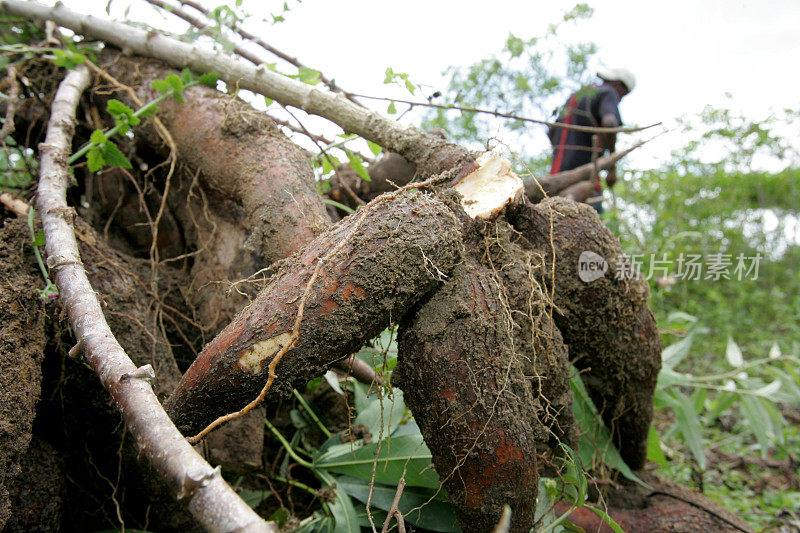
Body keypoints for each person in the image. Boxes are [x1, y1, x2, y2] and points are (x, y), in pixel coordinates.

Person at [548, 68, 635, 212]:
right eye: (623, 95)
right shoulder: (608, 92)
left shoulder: (575, 97)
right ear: (620, 86)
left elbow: (551, 131)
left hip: (555, 179)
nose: (619, 99)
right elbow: (609, 123)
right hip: (585, 178)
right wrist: (611, 167)